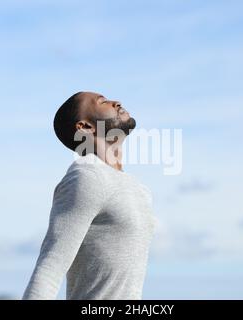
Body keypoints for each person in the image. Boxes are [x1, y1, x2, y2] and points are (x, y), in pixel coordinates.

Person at [22, 91, 157, 300]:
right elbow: (49, 270)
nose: (116, 102)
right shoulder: (86, 177)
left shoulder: (140, 190)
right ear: (85, 127)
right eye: (103, 102)